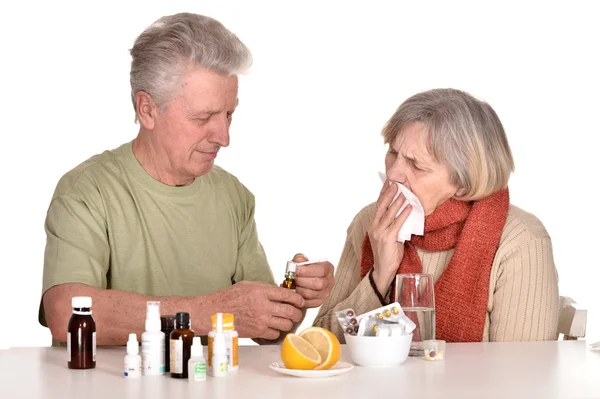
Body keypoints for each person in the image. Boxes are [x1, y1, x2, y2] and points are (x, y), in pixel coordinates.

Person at [40, 13, 334, 346]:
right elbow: (65, 313)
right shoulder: (86, 192)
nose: (223, 137)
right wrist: (208, 313)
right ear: (147, 110)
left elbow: (265, 330)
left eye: (229, 114)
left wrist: (295, 295)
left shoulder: (233, 196)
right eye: (203, 117)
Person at [313, 88, 559, 343]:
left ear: (463, 182)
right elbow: (318, 346)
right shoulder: (370, 222)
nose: (393, 174)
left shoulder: (521, 240)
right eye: (393, 153)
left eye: (416, 165)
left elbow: (525, 372)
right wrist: (380, 276)